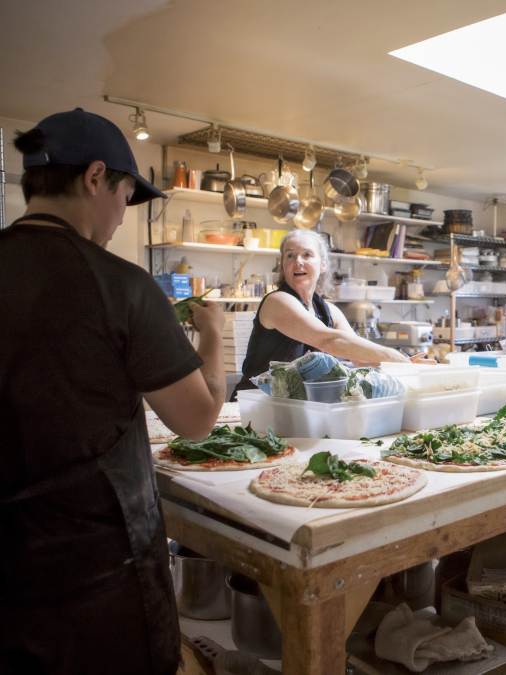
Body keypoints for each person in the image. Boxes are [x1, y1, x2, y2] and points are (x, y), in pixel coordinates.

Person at [0, 109, 226, 675]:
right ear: (96, 177)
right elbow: (197, 420)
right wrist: (214, 337)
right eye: (126, 195)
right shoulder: (122, 286)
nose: (122, 215)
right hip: (96, 573)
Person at [233, 228, 429, 397]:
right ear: (283, 265)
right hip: (255, 406)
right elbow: (329, 340)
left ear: (323, 264)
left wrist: (404, 365)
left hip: (294, 407)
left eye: (307, 255)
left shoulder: (329, 311)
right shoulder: (278, 301)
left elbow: (360, 358)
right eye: (290, 255)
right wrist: (397, 358)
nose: (298, 261)